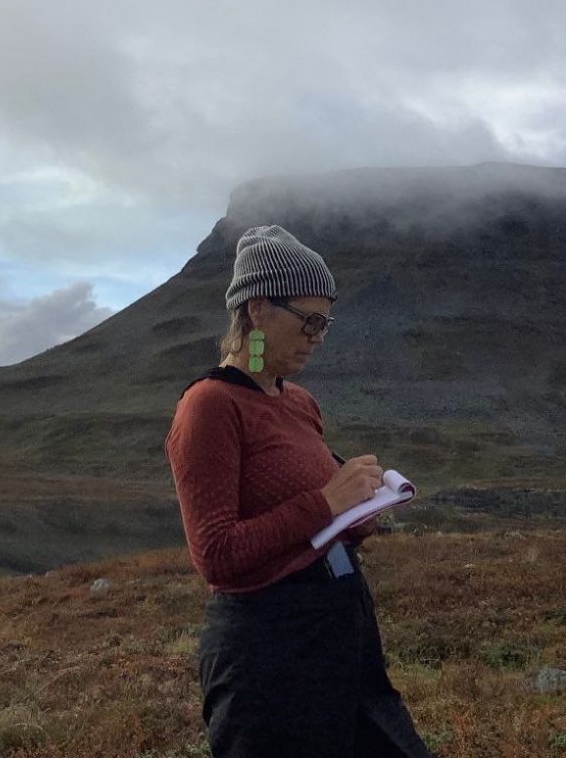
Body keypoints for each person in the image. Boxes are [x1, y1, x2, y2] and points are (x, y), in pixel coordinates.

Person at [164, 224, 434, 758]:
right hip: (268, 659)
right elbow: (216, 555)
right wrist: (328, 502)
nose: (318, 336)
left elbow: (314, 525)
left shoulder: (300, 402)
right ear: (258, 308)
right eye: (309, 320)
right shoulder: (210, 406)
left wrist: (361, 510)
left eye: (325, 323)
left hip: (344, 634)